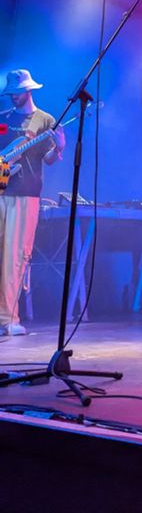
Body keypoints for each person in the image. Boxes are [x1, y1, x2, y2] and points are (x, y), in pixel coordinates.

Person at [0, 69, 65, 335]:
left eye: (17, 92)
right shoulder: (3, 119)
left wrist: (59, 147)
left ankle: (8, 319)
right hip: (2, 190)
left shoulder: (46, 120)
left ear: (29, 90)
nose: (13, 97)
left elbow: (47, 159)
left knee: (15, 257)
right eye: (10, 93)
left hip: (26, 193)